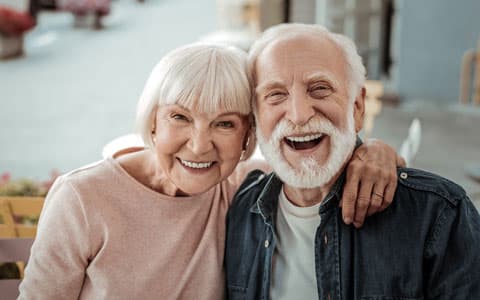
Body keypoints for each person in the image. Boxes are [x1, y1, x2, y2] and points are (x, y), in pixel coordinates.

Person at [19, 42, 401, 299]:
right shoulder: (82, 198)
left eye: (224, 124)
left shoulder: (242, 185)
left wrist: (374, 152)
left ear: (248, 136)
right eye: (180, 118)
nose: (200, 145)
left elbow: (323, 162)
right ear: (153, 120)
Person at [225, 23, 480, 299]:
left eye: (319, 88)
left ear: (357, 108)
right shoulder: (238, 209)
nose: (298, 115)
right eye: (276, 95)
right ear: (255, 118)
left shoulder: (438, 214)